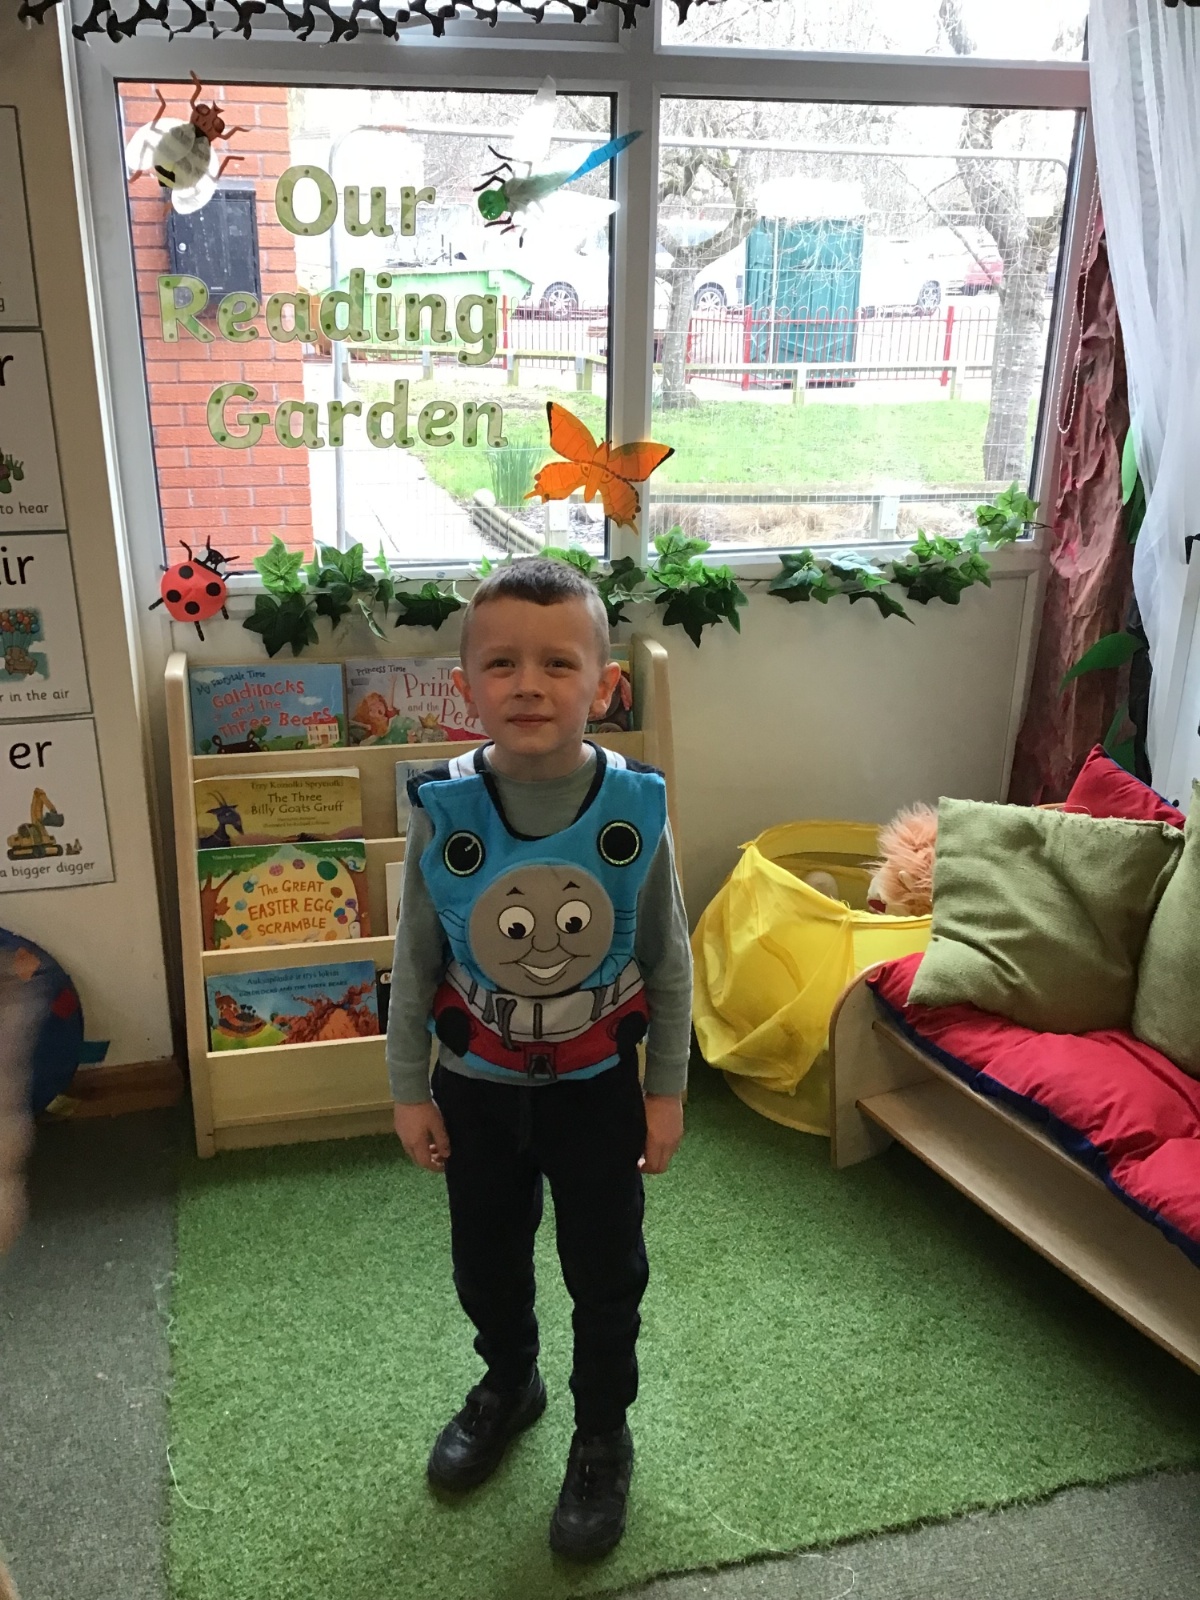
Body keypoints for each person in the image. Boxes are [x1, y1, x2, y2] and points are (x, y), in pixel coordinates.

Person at [387, 558, 692, 1561]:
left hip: (598, 1090)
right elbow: (415, 960)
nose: (529, 684)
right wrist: (407, 1091)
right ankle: (510, 1380)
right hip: (474, 1090)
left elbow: (669, 962)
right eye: (503, 664)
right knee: (485, 1258)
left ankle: (602, 1431)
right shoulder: (444, 810)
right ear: (466, 685)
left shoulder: (635, 809)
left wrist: (665, 1092)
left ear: (604, 686)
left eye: (559, 663)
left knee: (607, 1272)